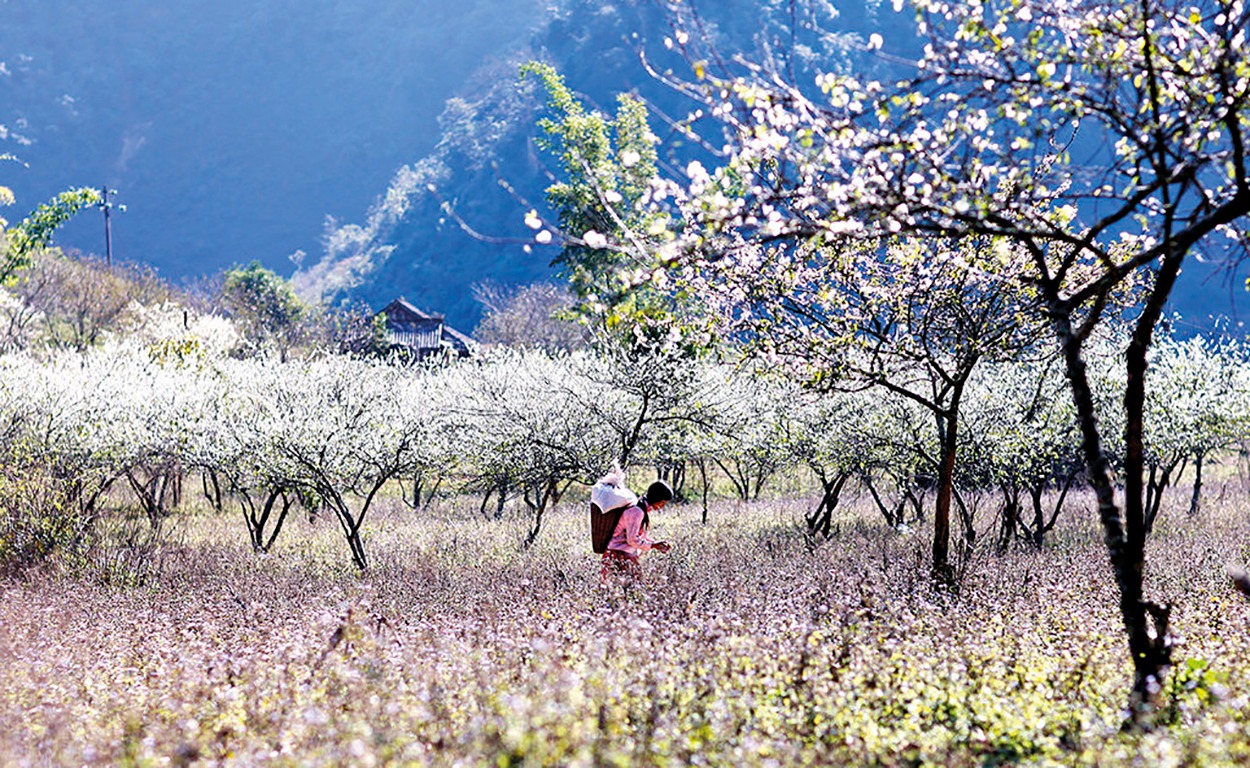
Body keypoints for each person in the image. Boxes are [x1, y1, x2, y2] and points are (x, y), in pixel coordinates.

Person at [602, 480, 673, 582]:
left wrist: (655, 544)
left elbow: (637, 536)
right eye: (663, 502)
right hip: (618, 554)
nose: (663, 505)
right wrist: (653, 545)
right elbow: (632, 540)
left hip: (619, 553)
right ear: (657, 499)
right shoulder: (636, 512)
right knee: (630, 589)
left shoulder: (640, 509)